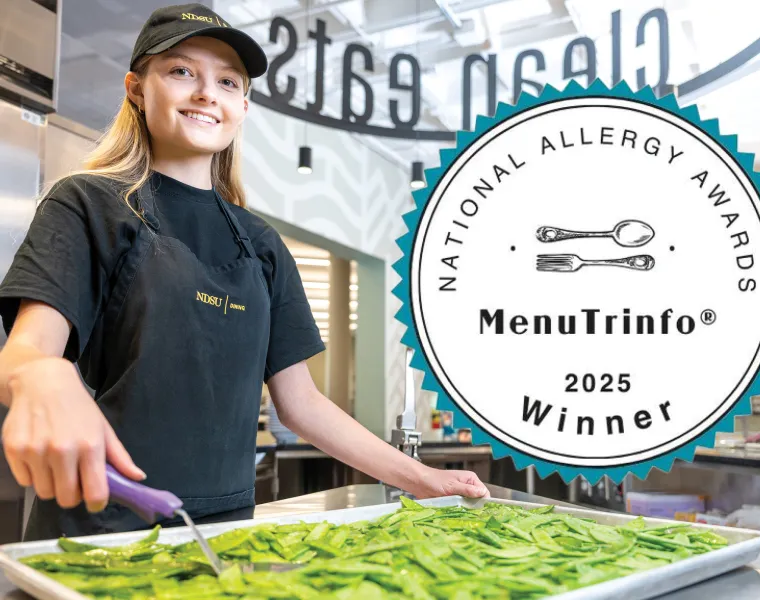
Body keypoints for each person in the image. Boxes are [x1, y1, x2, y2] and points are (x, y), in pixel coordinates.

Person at [0, 4, 488, 541]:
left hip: (225, 532)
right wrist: (40, 375)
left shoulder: (261, 244)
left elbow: (302, 405)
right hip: (103, 529)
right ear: (136, 89)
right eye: (181, 71)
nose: (207, 93)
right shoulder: (87, 204)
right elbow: (25, 352)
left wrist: (421, 477)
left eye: (227, 82)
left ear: (243, 107)